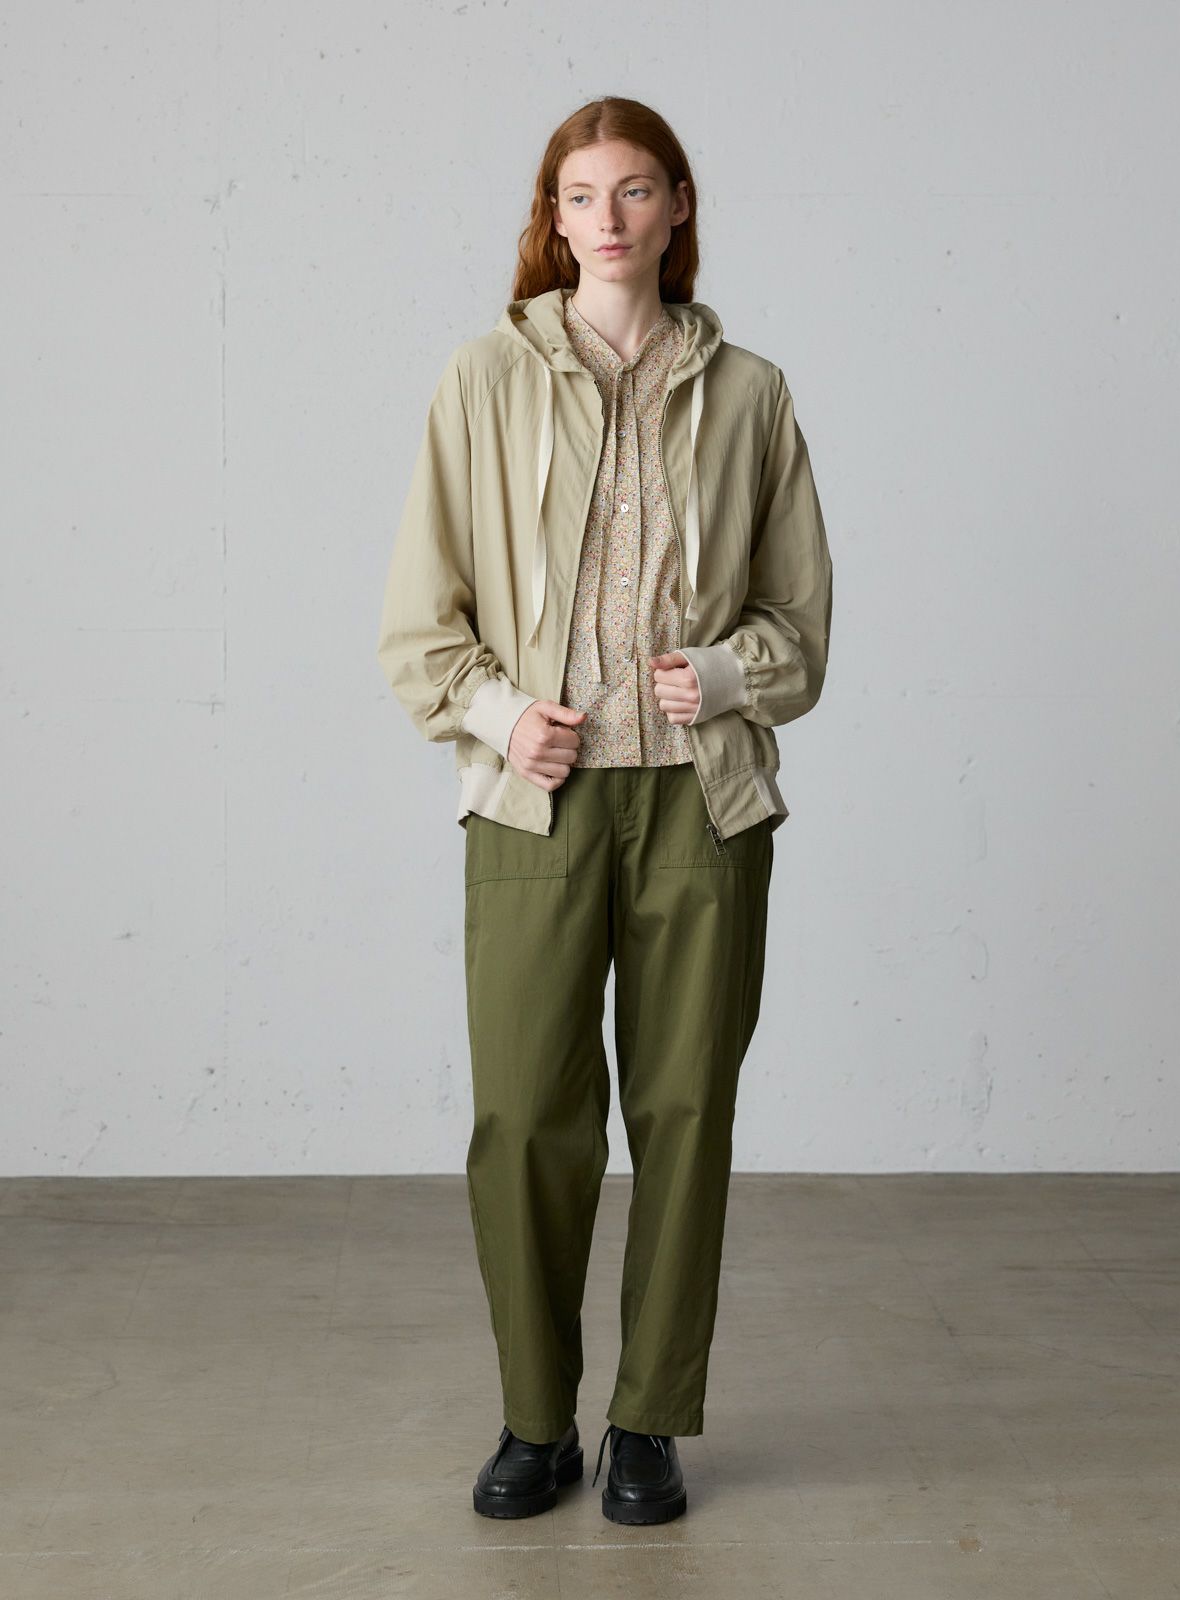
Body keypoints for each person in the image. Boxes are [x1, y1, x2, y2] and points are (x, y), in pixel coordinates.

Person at [376, 95, 833, 1526]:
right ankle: (536, 1420)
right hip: (538, 804)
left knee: (686, 1113)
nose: (611, 217)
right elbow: (419, 626)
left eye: (637, 190)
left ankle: (648, 1423)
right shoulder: (481, 382)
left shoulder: (751, 394)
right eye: (583, 195)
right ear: (554, 218)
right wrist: (501, 714)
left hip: (704, 807)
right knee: (526, 1116)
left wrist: (730, 673)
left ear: (677, 206)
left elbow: (802, 626)